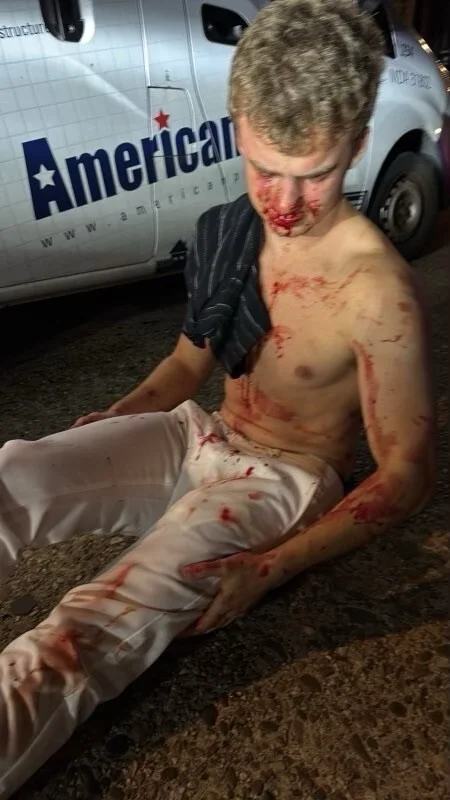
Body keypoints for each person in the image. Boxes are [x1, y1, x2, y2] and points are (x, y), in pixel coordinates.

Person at [0, 1, 435, 796]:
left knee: (80, 634)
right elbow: (184, 364)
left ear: (357, 145)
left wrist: (269, 568)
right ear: (237, 126)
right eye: (265, 168)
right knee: (15, 472)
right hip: (199, 434)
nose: (283, 204)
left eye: (315, 174)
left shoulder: (378, 292)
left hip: (282, 480)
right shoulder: (230, 229)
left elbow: (405, 474)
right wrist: (120, 417)